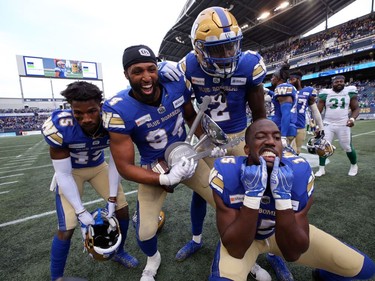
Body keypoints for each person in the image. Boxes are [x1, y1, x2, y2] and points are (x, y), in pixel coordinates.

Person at [159, 7, 274, 280]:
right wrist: (161, 69)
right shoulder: (189, 66)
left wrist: (261, 145)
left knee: (262, 190)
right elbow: (188, 111)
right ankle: (197, 239)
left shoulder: (248, 65)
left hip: (241, 136)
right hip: (208, 138)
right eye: (218, 49)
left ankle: (269, 250)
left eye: (230, 46)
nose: (227, 55)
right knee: (203, 190)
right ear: (198, 49)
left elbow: (259, 115)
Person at [101, 44, 224, 281]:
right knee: (146, 231)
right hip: (154, 165)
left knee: (225, 204)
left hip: (187, 157)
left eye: (151, 69)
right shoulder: (118, 109)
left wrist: (206, 143)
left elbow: (191, 116)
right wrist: (164, 178)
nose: (146, 77)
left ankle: (237, 254)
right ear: (126, 74)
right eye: (138, 71)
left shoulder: (176, 84)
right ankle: (153, 259)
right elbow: (125, 167)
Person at [208, 118, 375, 281]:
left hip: (281, 232)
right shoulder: (228, 173)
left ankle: (322, 275)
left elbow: (292, 253)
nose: (270, 142)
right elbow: (236, 250)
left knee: (364, 269)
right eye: (260, 137)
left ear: (281, 146)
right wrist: (252, 195)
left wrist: (283, 199)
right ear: (246, 149)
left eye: (277, 137)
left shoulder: (299, 174)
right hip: (245, 239)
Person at [42, 81, 138, 281]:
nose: (86, 118)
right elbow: (63, 174)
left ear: (100, 106)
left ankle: (118, 251)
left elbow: (116, 162)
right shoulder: (59, 126)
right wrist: (80, 211)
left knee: (121, 208)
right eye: (78, 113)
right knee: (67, 227)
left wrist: (112, 198)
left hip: (98, 167)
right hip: (71, 173)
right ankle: (56, 278)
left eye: (92, 111)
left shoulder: (111, 119)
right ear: (70, 108)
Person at [314, 75, 360, 177]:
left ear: (344, 82)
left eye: (341, 81)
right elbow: (318, 111)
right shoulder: (326, 93)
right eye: (336, 82)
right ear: (332, 83)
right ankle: (321, 169)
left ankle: (354, 165)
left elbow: (356, 108)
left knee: (347, 146)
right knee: (322, 146)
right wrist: (317, 125)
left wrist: (352, 119)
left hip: (343, 123)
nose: (339, 83)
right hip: (327, 124)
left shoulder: (349, 92)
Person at [288, 70, 324, 155]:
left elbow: (315, 111)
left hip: (301, 127)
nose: (290, 82)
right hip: (289, 126)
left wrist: (321, 127)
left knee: (298, 152)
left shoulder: (308, 91)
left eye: (292, 79)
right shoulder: (287, 91)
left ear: (298, 80)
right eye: (289, 80)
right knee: (290, 152)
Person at [270, 62, 298, 149]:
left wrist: (283, 136)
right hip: (285, 128)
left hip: (282, 129)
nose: (271, 79)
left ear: (279, 78)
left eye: (273, 76)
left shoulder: (283, 88)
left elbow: (286, 113)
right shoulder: (287, 87)